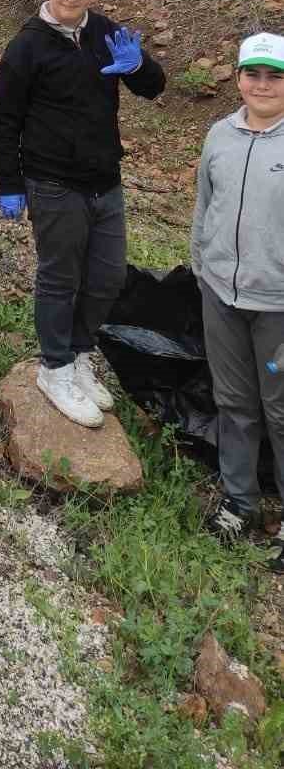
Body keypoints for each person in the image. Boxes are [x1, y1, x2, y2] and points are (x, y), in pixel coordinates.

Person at [0, 0, 166, 428]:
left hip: (104, 178)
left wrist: (139, 67)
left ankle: (80, 353)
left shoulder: (106, 33)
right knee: (60, 277)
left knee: (107, 276)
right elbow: (4, 119)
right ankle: (54, 367)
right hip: (52, 181)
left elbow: (153, 89)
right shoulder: (27, 45)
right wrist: (9, 181)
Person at [191, 32, 284, 569]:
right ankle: (240, 501)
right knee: (234, 403)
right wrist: (203, 263)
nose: (263, 85)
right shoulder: (220, 135)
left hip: (277, 306)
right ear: (239, 77)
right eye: (254, 74)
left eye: (275, 75)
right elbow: (206, 203)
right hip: (222, 293)